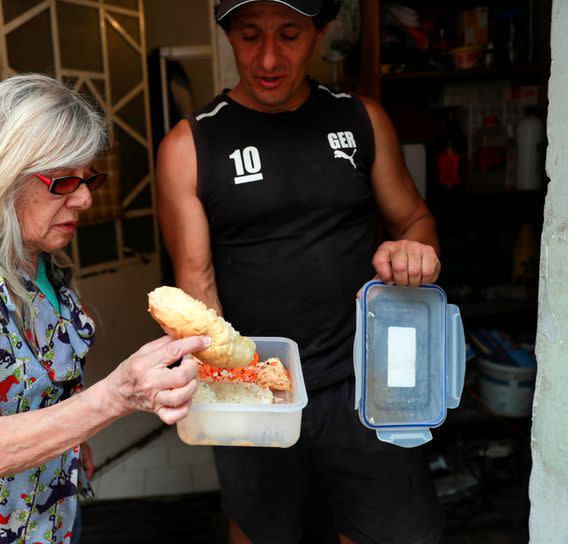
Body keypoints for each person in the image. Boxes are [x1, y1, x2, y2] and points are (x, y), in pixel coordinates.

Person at [155, 1, 443, 543]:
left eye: (289, 35)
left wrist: (416, 251)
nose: (268, 57)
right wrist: (234, 397)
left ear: (321, 32)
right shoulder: (189, 147)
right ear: (227, 35)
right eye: (248, 36)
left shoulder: (361, 119)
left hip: (368, 387)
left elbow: (415, 219)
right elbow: (199, 294)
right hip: (255, 388)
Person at [0, 73, 208, 544]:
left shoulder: (39, 259)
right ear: (0, 172)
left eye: (88, 178)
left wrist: (72, 443)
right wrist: (117, 395)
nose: (85, 198)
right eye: (63, 181)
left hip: (51, 516)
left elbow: (44, 382)